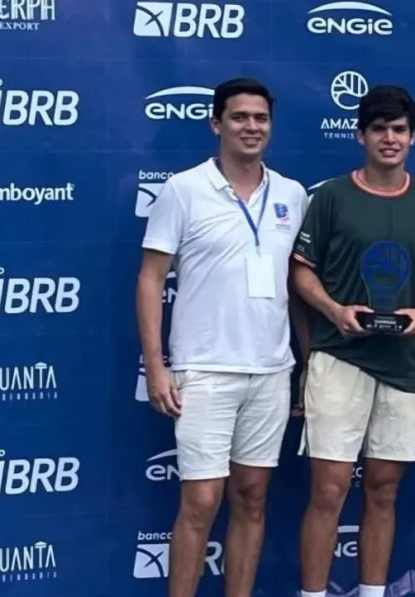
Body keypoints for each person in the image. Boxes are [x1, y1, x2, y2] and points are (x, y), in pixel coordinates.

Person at [135, 78, 310, 597]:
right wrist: (157, 366)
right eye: (239, 117)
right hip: (204, 369)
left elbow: (296, 287)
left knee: (252, 497)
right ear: (217, 123)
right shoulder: (183, 189)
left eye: (260, 118)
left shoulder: (292, 194)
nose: (251, 127)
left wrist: (307, 363)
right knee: (201, 501)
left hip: (272, 370)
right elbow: (150, 280)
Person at [291, 85, 415, 597]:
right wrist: (334, 311)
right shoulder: (330, 197)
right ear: (360, 135)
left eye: (399, 129)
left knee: (383, 490)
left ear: (413, 137)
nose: (390, 138)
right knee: (329, 490)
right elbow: (301, 272)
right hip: (339, 358)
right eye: (379, 129)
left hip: (404, 363)